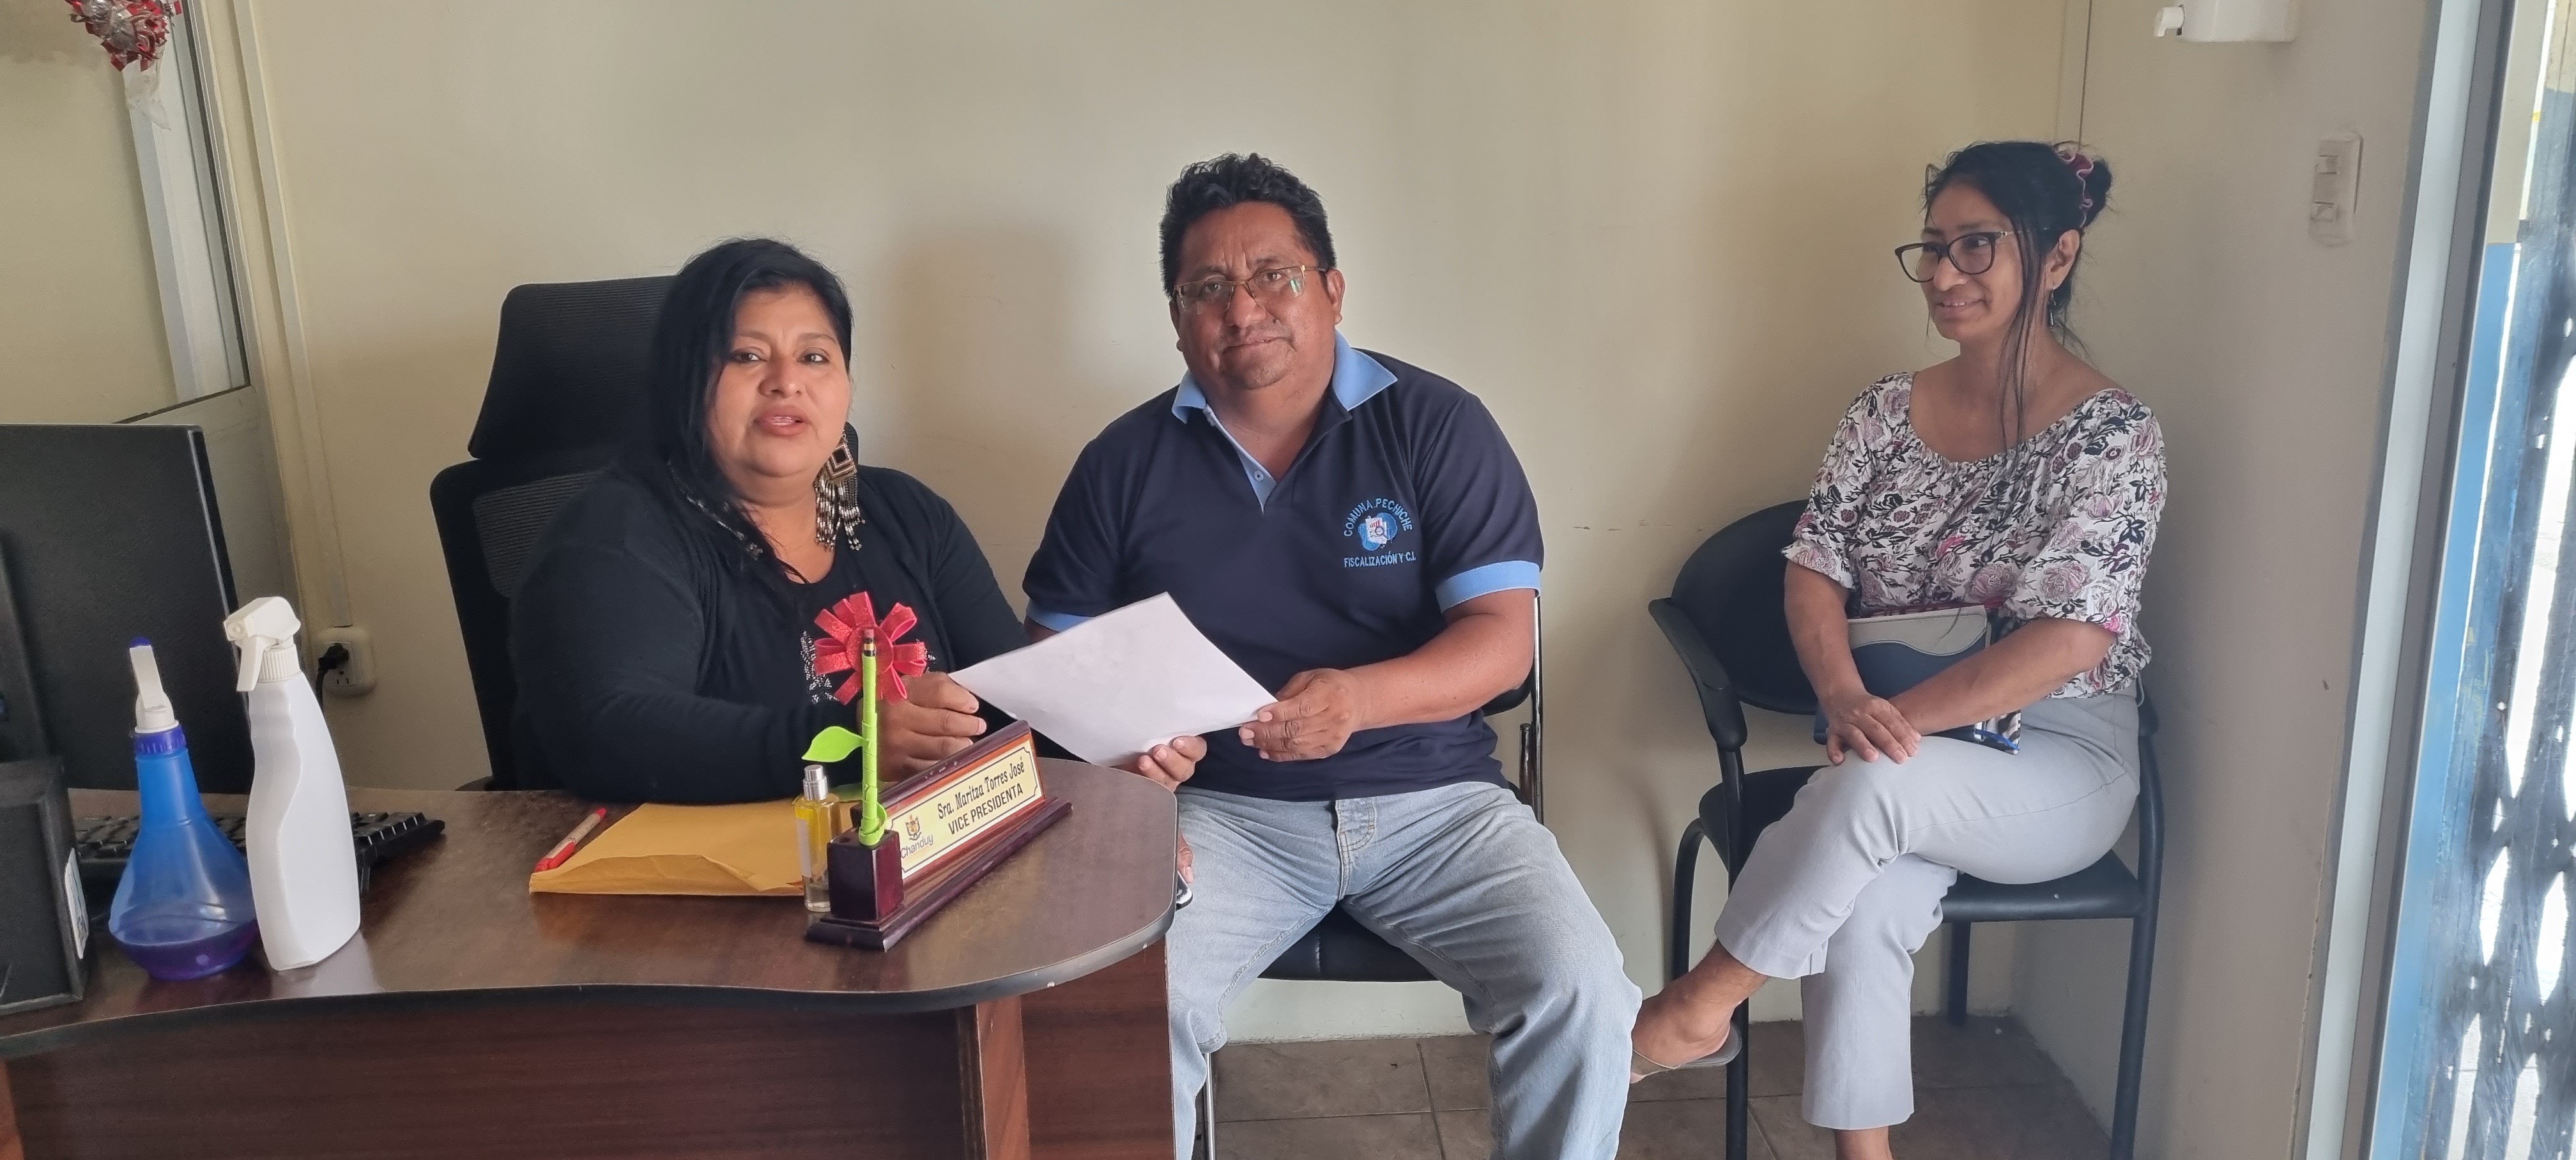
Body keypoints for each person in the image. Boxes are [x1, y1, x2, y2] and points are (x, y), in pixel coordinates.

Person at [1022, 154, 1638, 1160]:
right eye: (1207, 287)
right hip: (1222, 814)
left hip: (1440, 804)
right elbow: (1059, 659)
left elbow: (1501, 642)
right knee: (1122, 1006)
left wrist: (1359, 699)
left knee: (1583, 992)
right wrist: (1126, 749)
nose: (1243, 308)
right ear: (1177, 318)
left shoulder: (1435, 425)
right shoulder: (1122, 464)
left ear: (1332, 289)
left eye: (1274, 275)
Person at [1626, 142, 2163, 1159]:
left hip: (2057, 757)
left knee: (1870, 788)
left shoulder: (2113, 435)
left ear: (2056, 257)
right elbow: (1814, 566)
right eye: (1932, 248)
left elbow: (2074, 636)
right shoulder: (1883, 412)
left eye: (1977, 246)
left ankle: (1697, 1007)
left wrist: (1889, 724)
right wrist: (1841, 694)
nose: (1945, 273)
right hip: (1893, 743)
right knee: (1862, 895)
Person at [511, 237, 1205, 802]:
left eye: (815, 356)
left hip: (913, 868)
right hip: (708, 896)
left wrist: (1107, 755)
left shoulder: (909, 515)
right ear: (685, 381)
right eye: (747, 356)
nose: (787, 381)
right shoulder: (617, 536)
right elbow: (614, 730)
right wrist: (852, 742)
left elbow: (1009, 702)